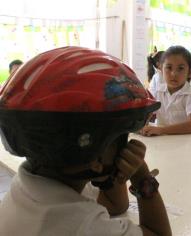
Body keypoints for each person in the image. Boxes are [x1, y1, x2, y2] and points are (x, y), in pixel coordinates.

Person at [0, 47, 171, 235]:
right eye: (122, 137)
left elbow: (115, 205)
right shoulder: (84, 226)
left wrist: (113, 173)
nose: (126, 145)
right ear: (95, 156)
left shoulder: (29, 185)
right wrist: (141, 176)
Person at [140, 46, 191, 136]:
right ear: (161, 69)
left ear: (189, 71)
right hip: (165, 141)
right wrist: (142, 126)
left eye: (180, 68)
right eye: (169, 67)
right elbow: (148, 112)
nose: (174, 74)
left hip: (188, 143)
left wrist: (161, 130)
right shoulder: (158, 91)